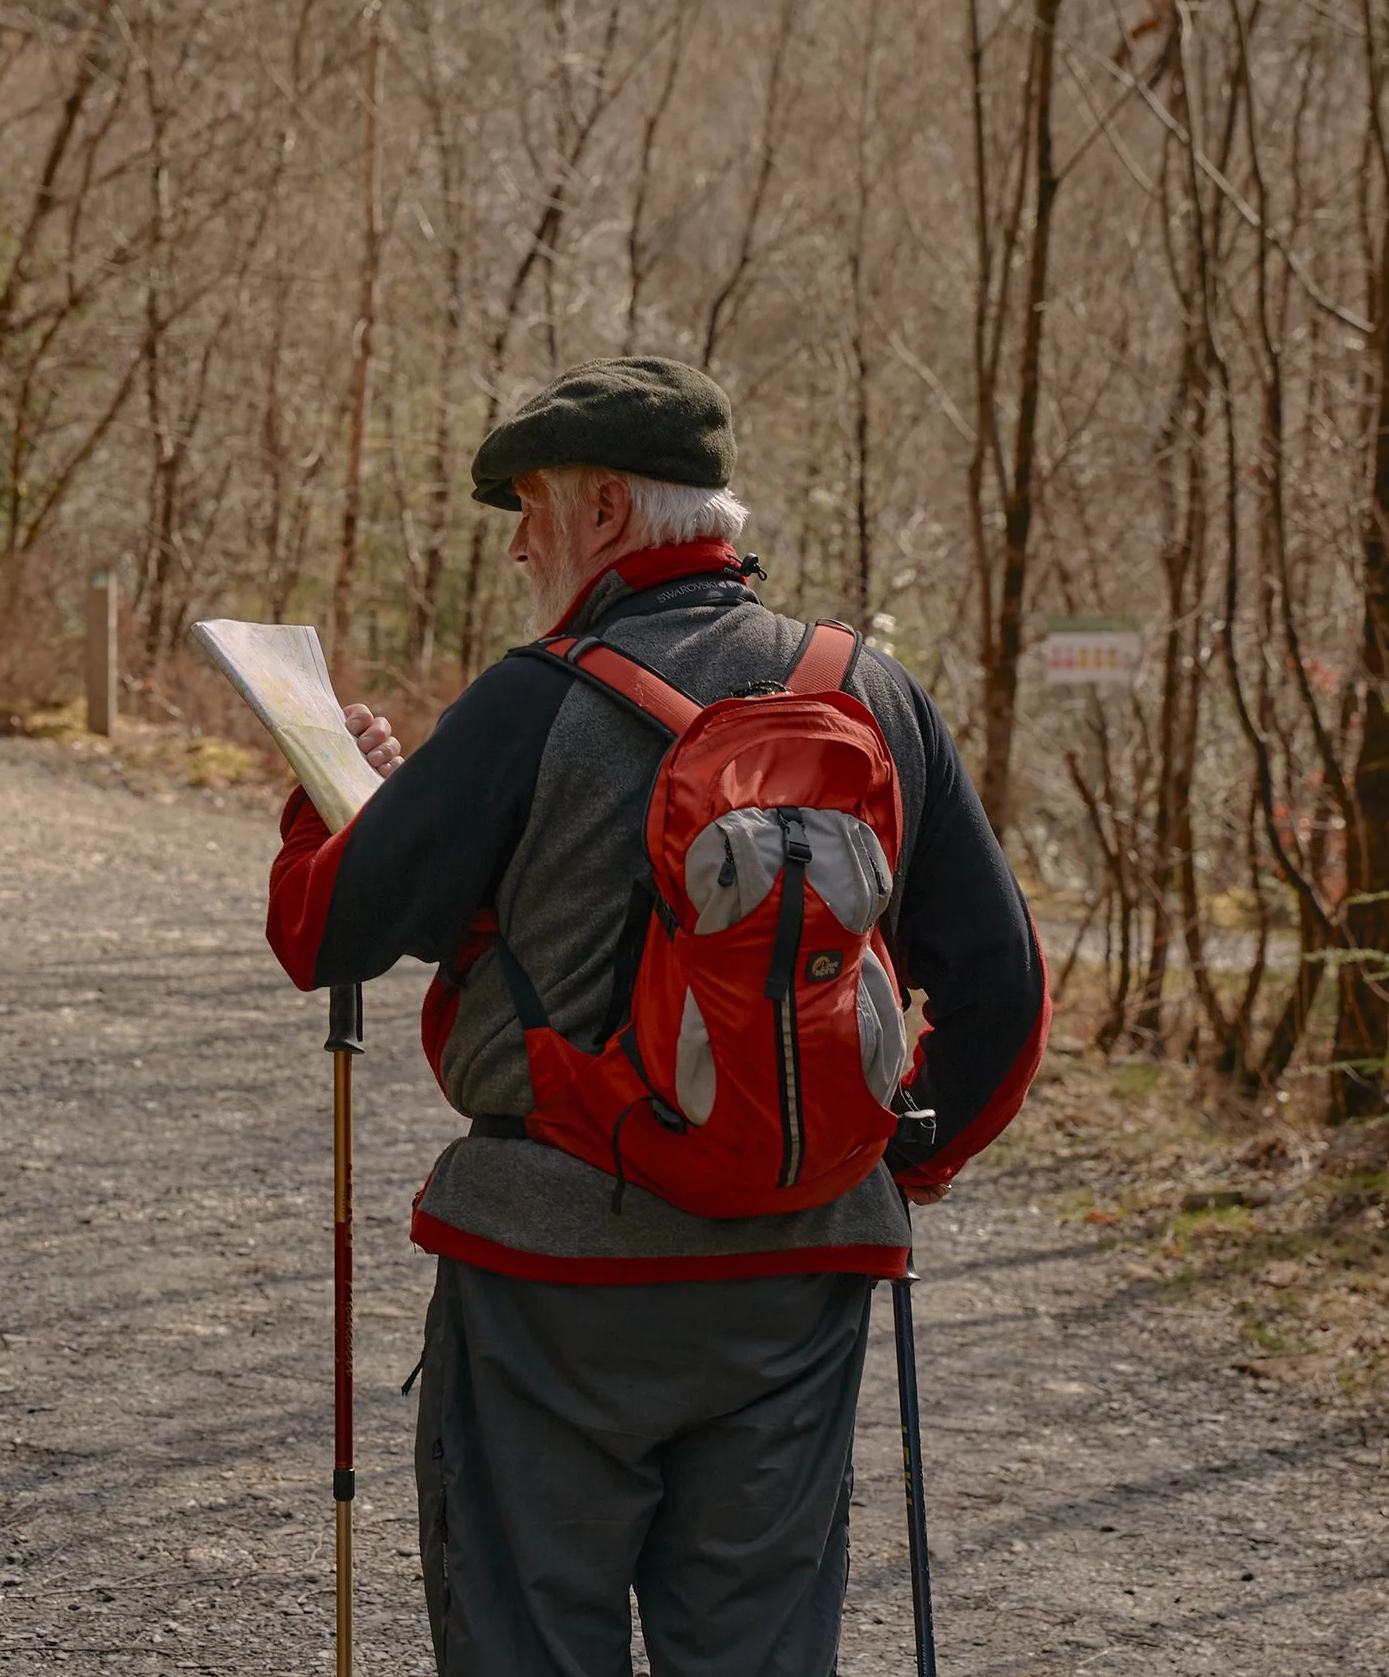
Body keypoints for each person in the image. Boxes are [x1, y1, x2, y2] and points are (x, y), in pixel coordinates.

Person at [265, 356, 1048, 1677]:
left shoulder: (533, 699)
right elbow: (1005, 995)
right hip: (802, 1282)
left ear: (611, 513)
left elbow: (325, 932)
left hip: (550, 1278)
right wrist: (887, 1156)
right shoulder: (875, 693)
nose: (520, 544)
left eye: (532, 508)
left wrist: (325, 803)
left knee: (529, 1645)